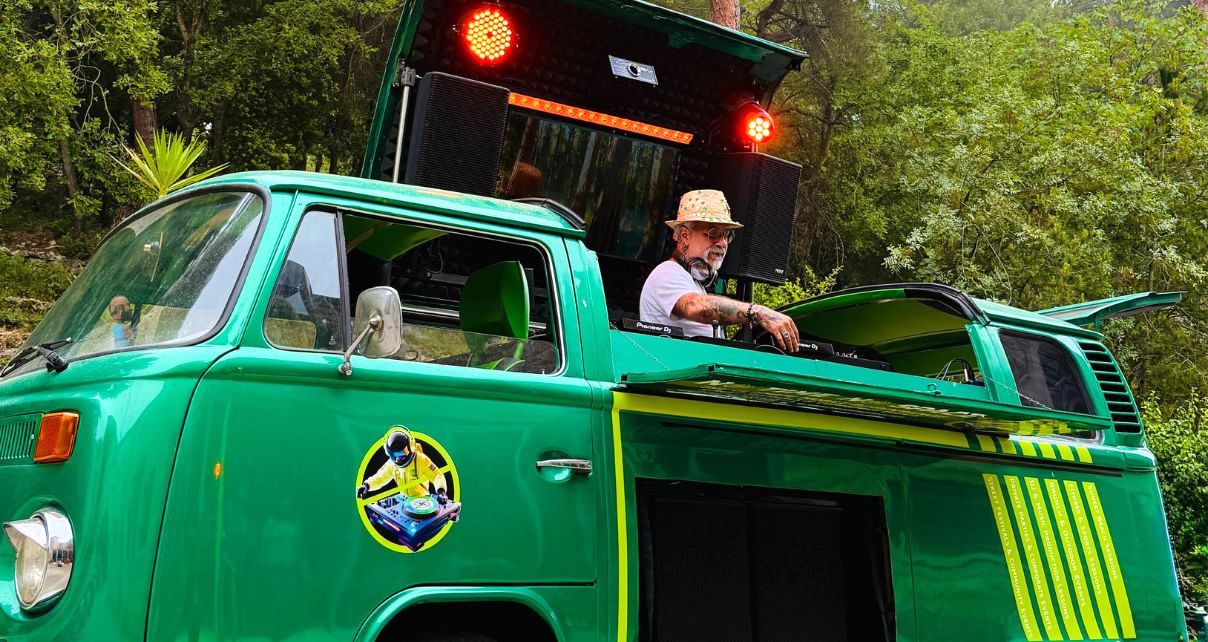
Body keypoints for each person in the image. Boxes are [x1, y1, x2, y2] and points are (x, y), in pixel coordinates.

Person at [639, 189, 801, 351]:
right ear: (684, 235)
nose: (723, 243)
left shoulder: (694, 283)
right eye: (714, 233)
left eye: (726, 235)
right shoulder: (667, 273)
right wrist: (756, 311)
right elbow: (694, 306)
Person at [357, 426, 449, 504]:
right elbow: (380, 477)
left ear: (410, 446)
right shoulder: (391, 464)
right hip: (404, 500)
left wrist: (441, 491)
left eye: (402, 453)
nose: (398, 459)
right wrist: (367, 485)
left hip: (422, 500)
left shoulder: (421, 459)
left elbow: (436, 475)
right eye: (394, 455)